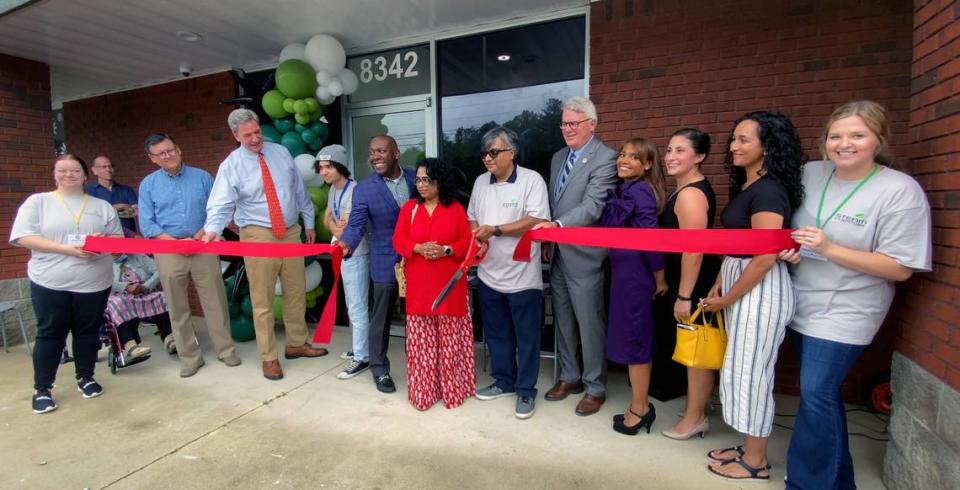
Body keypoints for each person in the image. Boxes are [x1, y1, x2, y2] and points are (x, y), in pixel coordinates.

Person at [779, 101, 931, 489]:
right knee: (821, 399)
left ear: (879, 139)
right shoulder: (810, 173)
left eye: (857, 135)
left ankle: (808, 484)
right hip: (800, 302)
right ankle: (837, 480)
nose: (844, 144)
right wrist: (790, 248)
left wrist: (830, 249)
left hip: (848, 310)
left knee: (816, 393)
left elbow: (900, 267)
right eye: (836, 136)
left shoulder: (898, 190)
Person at [701, 111, 805, 482]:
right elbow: (737, 247)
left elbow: (763, 257)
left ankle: (756, 461)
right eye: (733, 139)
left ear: (768, 146)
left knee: (751, 373)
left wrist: (727, 299)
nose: (734, 146)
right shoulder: (748, 186)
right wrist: (719, 282)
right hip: (739, 280)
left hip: (760, 290)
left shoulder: (770, 190)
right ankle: (748, 446)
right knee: (739, 370)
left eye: (745, 139)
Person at [203, 109, 327, 381]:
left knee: (296, 290)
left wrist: (307, 220)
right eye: (248, 135)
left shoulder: (280, 152)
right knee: (263, 299)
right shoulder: (231, 165)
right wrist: (212, 229)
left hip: (291, 231)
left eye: (257, 131)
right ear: (236, 136)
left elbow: (298, 189)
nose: (256, 138)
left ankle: (296, 343)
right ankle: (269, 358)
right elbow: (221, 203)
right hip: (258, 233)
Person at [10, 154, 123, 414]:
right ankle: (42, 389)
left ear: (85, 175)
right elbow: (23, 237)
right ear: (54, 174)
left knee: (87, 332)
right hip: (51, 282)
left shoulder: (101, 206)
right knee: (50, 333)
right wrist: (67, 249)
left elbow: (117, 245)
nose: (69, 174)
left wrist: (103, 242)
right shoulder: (39, 202)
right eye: (62, 170)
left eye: (75, 170)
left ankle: (85, 377)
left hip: (94, 282)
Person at [533, 96, 617, 416]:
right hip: (556, 254)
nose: (567, 129)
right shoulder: (558, 158)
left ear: (592, 125)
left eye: (573, 123)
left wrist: (556, 225)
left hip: (585, 256)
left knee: (589, 322)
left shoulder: (606, 158)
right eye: (564, 123)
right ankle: (570, 376)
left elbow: (593, 206)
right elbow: (556, 202)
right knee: (564, 319)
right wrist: (548, 235)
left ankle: (595, 386)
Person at [139, 133, 240, 377]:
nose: (167, 155)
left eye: (170, 149)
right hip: (168, 249)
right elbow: (147, 223)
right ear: (152, 159)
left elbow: (217, 210)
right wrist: (175, 243)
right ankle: (190, 356)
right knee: (177, 305)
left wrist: (197, 237)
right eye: (160, 153)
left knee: (214, 299)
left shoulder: (203, 178)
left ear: (179, 149)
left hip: (203, 243)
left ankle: (225, 350)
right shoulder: (148, 185)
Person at [468, 127, 550, 419]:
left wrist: (498, 230)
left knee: (526, 337)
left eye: (494, 152)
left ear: (511, 153)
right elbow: (472, 217)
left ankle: (526, 391)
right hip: (489, 273)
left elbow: (538, 219)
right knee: (498, 333)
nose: (488, 159)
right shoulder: (480, 182)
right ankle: (504, 381)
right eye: (484, 154)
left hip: (522, 275)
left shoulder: (531, 180)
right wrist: (476, 232)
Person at [392, 158, 476, 410]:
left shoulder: (456, 209)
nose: (421, 184)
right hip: (419, 289)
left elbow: (467, 243)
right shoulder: (410, 208)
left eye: (427, 179)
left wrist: (446, 250)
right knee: (421, 349)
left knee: (450, 346)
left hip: (449, 288)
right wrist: (416, 247)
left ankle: (452, 391)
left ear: (440, 181)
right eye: (418, 179)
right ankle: (423, 394)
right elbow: (397, 240)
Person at [338, 135, 416, 394]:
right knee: (380, 318)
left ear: (396, 153)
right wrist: (347, 243)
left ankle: (420, 368)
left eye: (382, 151)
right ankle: (380, 370)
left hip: (418, 259)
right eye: (372, 152)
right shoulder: (365, 188)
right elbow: (358, 222)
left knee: (418, 318)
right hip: (384, 260)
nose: (375, 156)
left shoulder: (417, 178)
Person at [600, 138, 668, 435]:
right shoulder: (627, 188)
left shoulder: (640, 191)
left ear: (648, 164)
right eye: (623, 155)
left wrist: (659, 278)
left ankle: (641, 409)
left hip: (636, 277)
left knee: (636, 339)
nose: (624, 160)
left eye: (634, 157)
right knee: (631, 337)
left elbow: (650, 239)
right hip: (624, 273)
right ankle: (638, 404)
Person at [658, 128, 723, 440]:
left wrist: (684, 296)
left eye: (680, 151)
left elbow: (693, 249)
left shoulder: (691, 194)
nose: (670, 156)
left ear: (699, 157)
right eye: (669, 150)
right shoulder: (683, 189)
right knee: (693, 349)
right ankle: (697, 407)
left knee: (696, 352)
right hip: (688, 280)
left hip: (694, 285)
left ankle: (695, 418)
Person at [317, 144, 371, 380]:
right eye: (320, 168)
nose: (323, 172)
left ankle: (363, 357)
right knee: (351, 304)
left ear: (340, 166)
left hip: (357, 253)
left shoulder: (355, 190)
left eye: (328, 167)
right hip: (343, 253)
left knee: (357, 306)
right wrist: (332, 223)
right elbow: (326, 220)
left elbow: (343, 229)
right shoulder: (333, 190)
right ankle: (359, 348)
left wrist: (333, 223)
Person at [105, 250, 174, 360]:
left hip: (144, 292)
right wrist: (125, 287)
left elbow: (159, 270)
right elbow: (100, 281)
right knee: (117, 304)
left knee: (163, 297)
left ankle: (169, 337)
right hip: (119, 296)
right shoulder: (100, 261)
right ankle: (130, 345)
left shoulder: (137, 256)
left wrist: (147, 286)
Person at [85, 156, 139, 234]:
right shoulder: (88, 191)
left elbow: (135, 211)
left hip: (129, 237)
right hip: (102, 237)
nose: (108, 169)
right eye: (104, 167)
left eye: (110, 166)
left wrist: (105, 212)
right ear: (94, 170)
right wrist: (117, 207)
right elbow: (89, 215)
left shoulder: (126, 190)